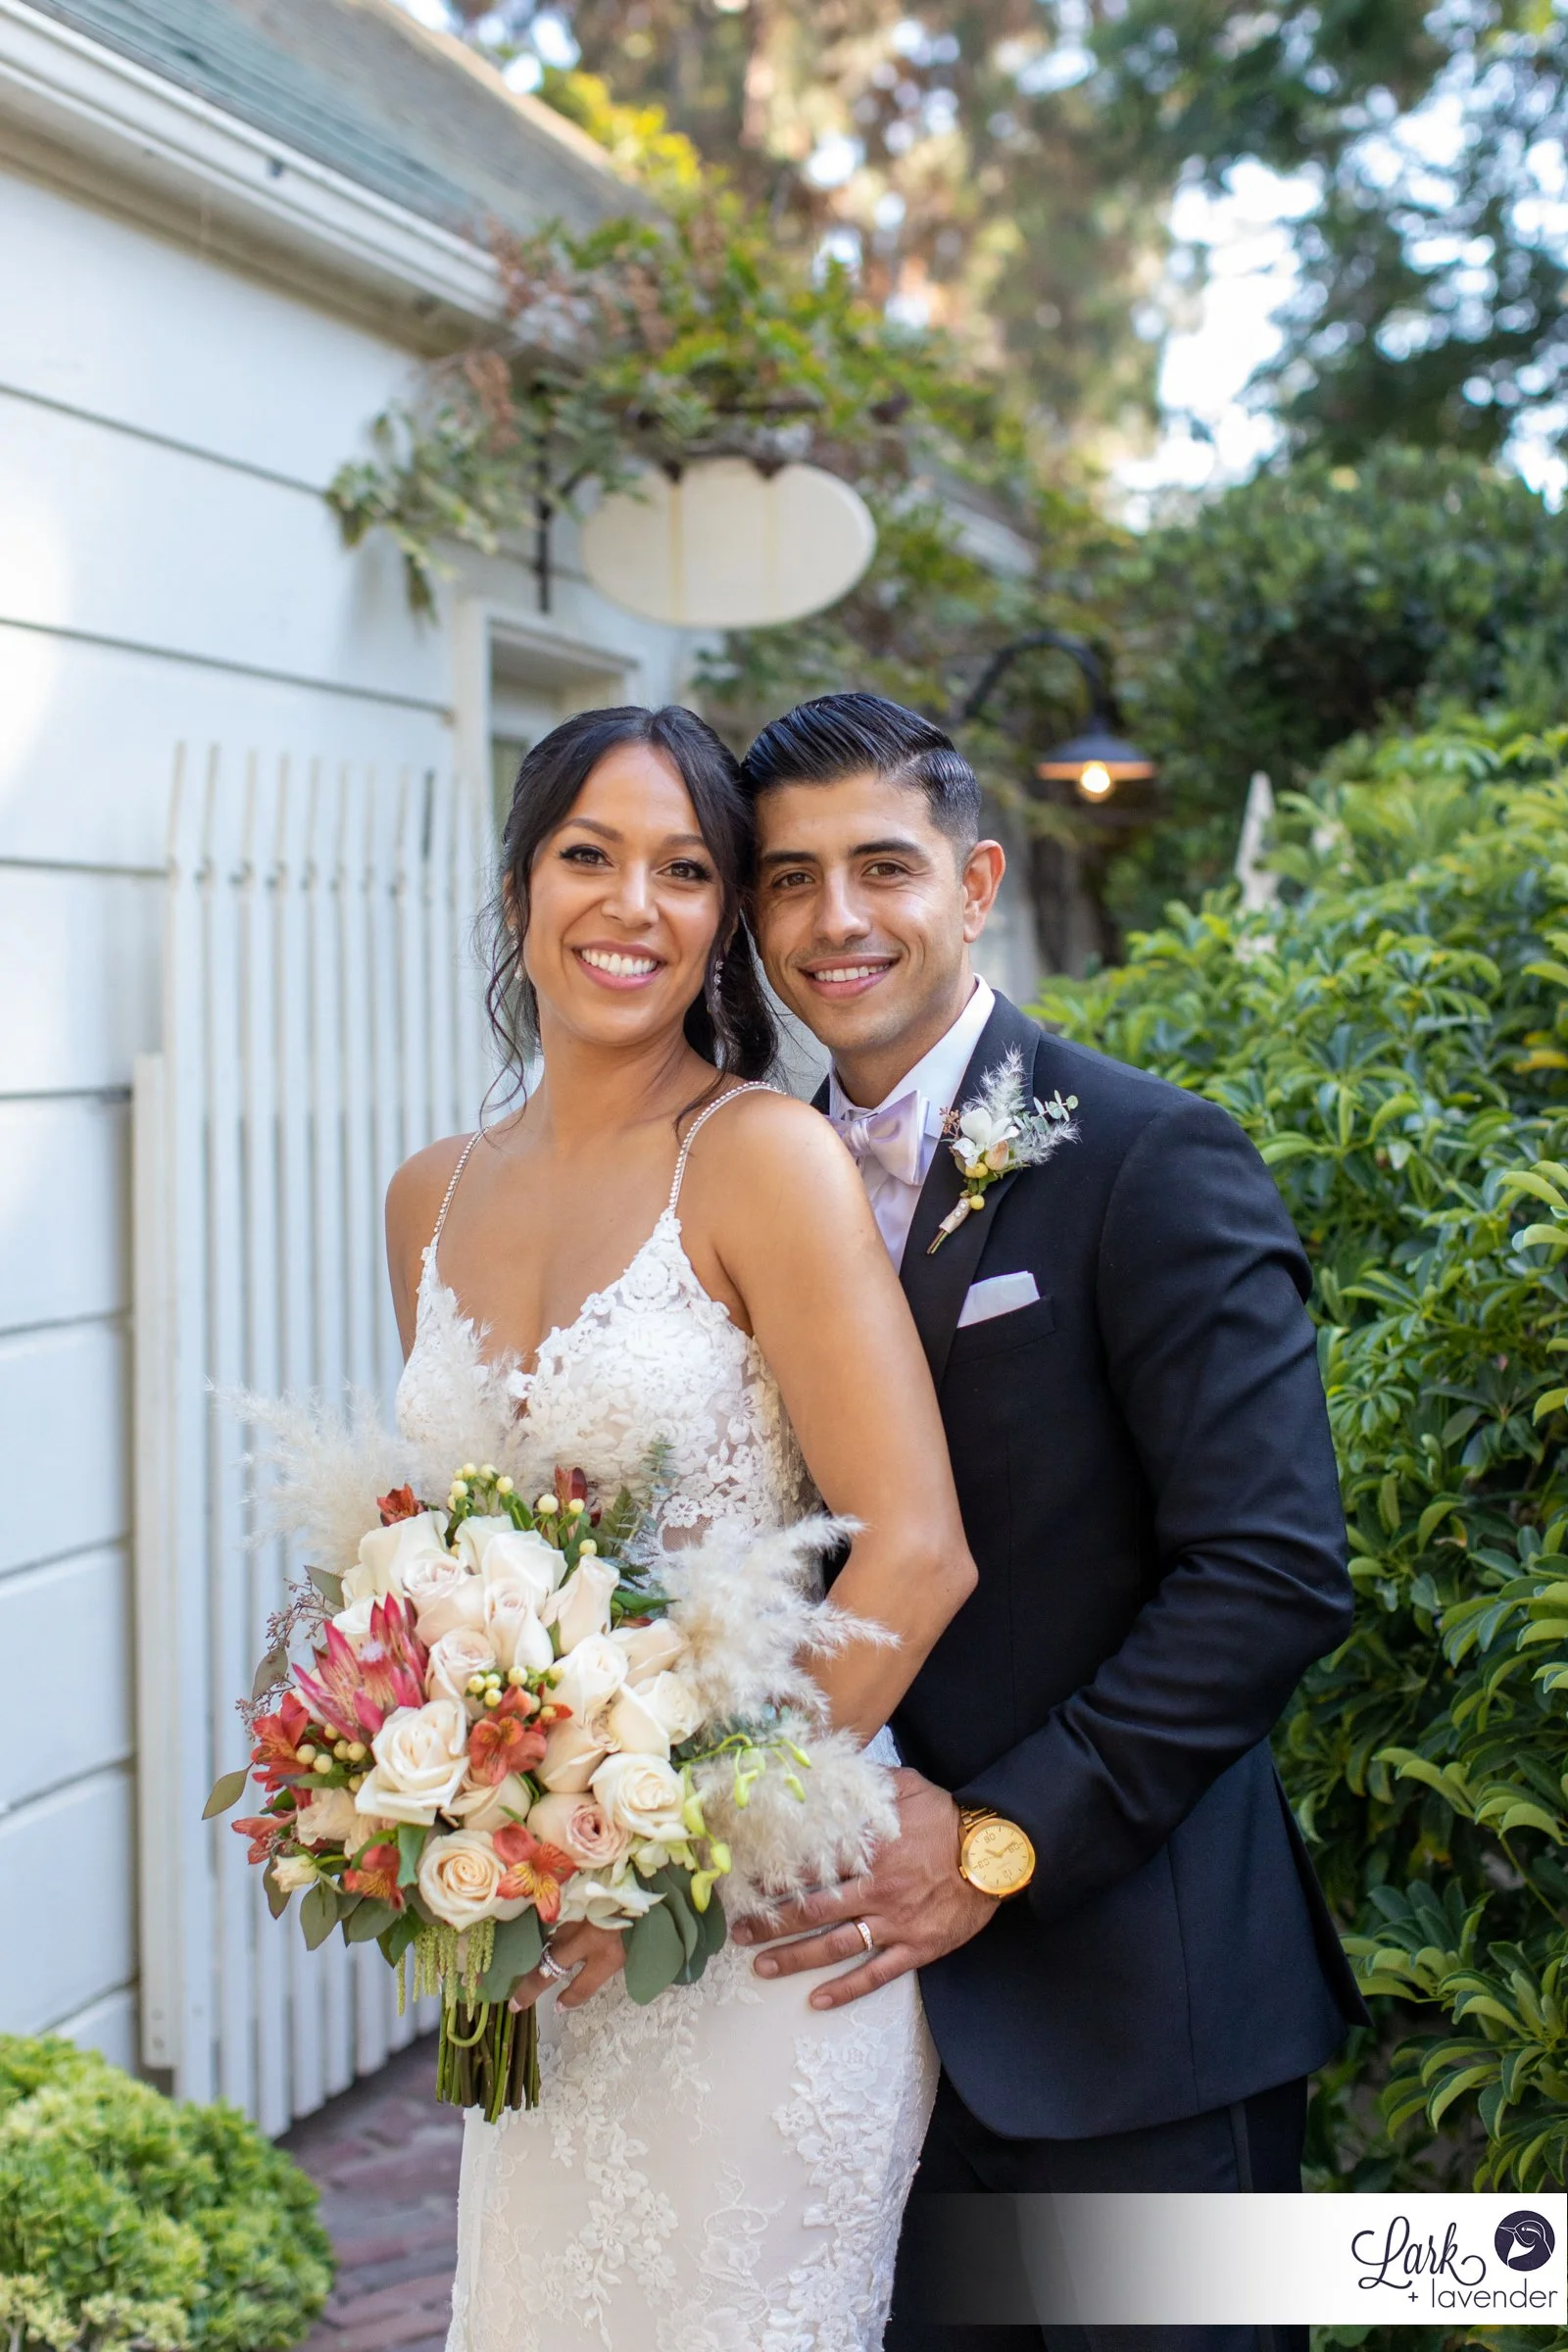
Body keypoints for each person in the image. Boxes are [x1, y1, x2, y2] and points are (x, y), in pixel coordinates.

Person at [734, 692, 1368, 2352]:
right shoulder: (752, 1178)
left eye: (883, 865)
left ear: (976, 881)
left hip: (1134, 2019)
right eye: (789, 881)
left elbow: (1270, 1570)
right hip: (852, 2039)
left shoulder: (1150, 1155)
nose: (837, 920)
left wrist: (1001, 1843)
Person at [384, 704, 974, 2352]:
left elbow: (917, 1553)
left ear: (722, 922)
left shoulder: (761, 1159)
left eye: (685, 868)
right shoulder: (425, 1194)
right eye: (590, 855)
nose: (630, 903)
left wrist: (654, 1862)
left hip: (757, 1925)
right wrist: (442, 1811)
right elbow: (446, 1566)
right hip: (539, 1941)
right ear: (521, 888)